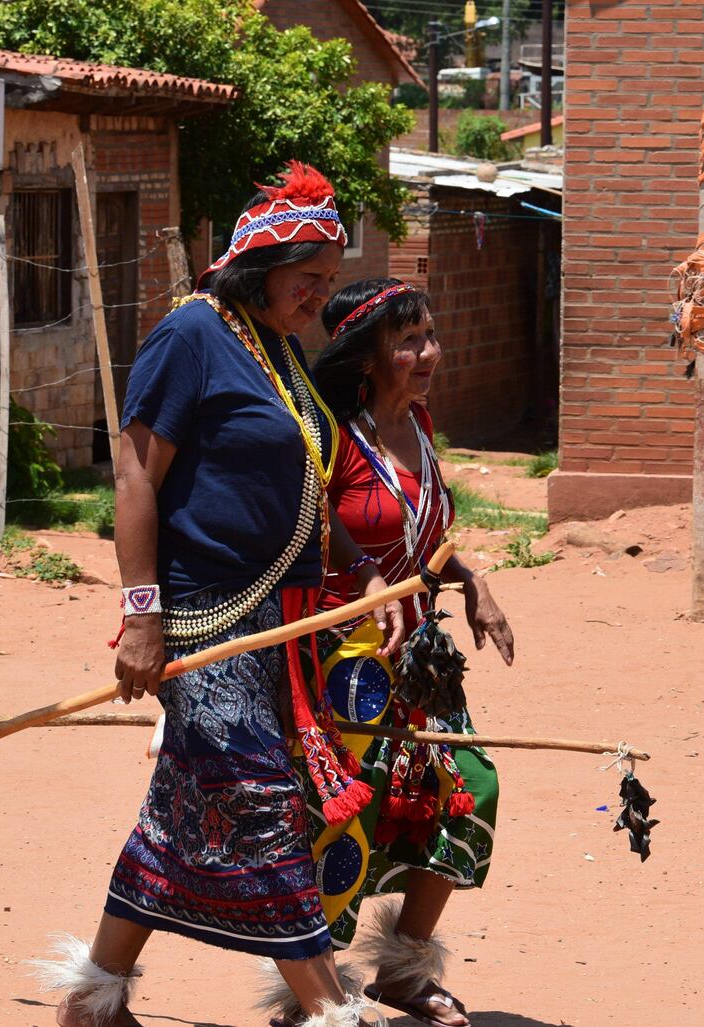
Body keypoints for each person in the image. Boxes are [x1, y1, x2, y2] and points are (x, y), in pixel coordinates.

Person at [32, 166, 402, 1027]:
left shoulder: (274, 347)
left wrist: (367, 571)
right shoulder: (190, 335)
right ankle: (328, 1008)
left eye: (326, 281)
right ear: (257, 266)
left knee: (185, 808)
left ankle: (95, 994)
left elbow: (306, 480)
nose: (317, 297)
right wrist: (140, 617)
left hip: (274, 627)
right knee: (262, 800)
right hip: (202, 621)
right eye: (305, 278)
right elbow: (134, 473)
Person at [272, 279, 515, 1027]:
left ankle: (405, 970)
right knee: (347, 818)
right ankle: (309, 995)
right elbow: (305, 532)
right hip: (349, 662)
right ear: (367, 358)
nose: (428, 353)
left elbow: (426, 542)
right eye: (408, 342)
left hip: (421, 659)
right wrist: (364, 589)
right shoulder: (334, 438)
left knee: (469, 786)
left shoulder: (423, 426)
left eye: (431, 337)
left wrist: (472, 581)